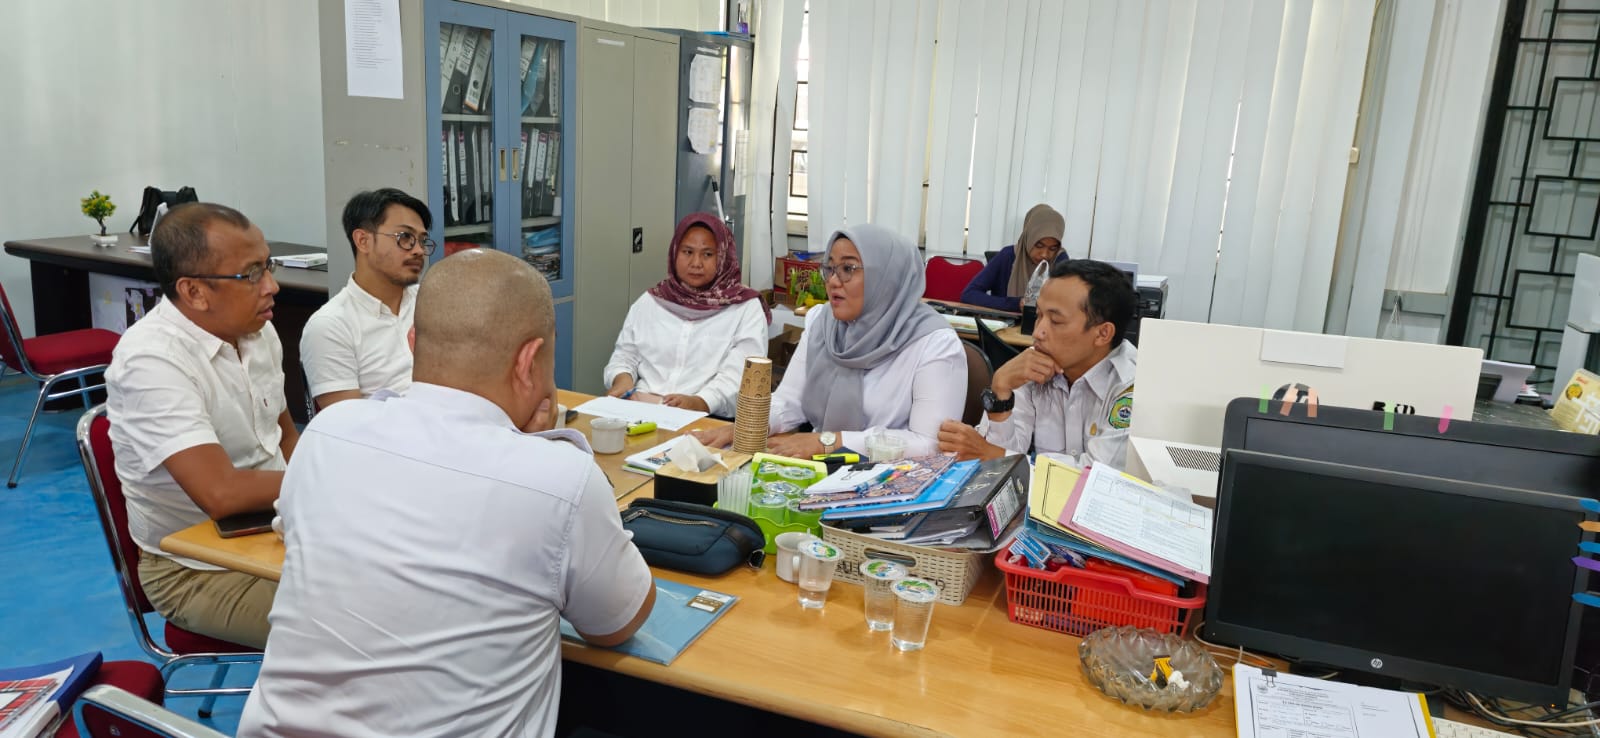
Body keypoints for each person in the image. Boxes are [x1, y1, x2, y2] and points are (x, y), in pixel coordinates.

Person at [239, 249, 655, 738]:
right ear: (528, 361)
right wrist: (538, 447)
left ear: (412, 343)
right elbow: (617, 622)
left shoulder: (328, 432)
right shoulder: (560, 478)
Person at [105, 202, 297, 649]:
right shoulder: (151, 360)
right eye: (251, 274)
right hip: (197, 569)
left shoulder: (258, 331)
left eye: (268, 266)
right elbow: (221, 494)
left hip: (276, 528)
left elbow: (285, 434)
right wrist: (326, 480)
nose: (271, 286)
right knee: (359, 627)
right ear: (193, 292)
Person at [693, 224, 966, 458]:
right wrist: (748, 426)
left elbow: (930, 444)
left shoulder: (934, 343)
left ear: (887, 277)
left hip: (893, 481)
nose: (833, 281)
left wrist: (829, 442)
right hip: (820, 466)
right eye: (830, 268)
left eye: (848, 268)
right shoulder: (823, 323)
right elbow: (789, 400)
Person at [938, 259, 1138, 468]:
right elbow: (992, 464)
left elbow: (1095, 476)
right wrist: (1000, 389)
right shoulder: (1033, 364)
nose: (1037, 332)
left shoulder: (1132, 385)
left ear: (1103, 333)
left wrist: (992, 454)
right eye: (1038, 315)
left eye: (1056, 321)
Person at [604, 213, 769, 417]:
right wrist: (622, 380)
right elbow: (625, 354)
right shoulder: (651, 301)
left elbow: (741, 374)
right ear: (675, 253)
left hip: (708, 415)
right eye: (687, 252)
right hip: (641, 408)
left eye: (707, 254)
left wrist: (700, 402)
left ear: (723, 257)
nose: (696, 263)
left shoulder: (745, 308)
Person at [300, 188, 433, 409]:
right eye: (405, 237)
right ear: (363, 241)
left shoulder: (432, 302)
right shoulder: (330, 326)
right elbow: (347, 423)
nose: (418, 250)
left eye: (422, 240)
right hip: (389, 430)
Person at [959, 203, 1067, 312]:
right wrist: (1015, 304)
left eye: (1052, 248)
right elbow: (969, 294)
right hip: (1006, 321)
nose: (1044, 254)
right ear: (1028, 237)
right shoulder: (1007, 256)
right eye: (1039, 245)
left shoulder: (1060, 260)